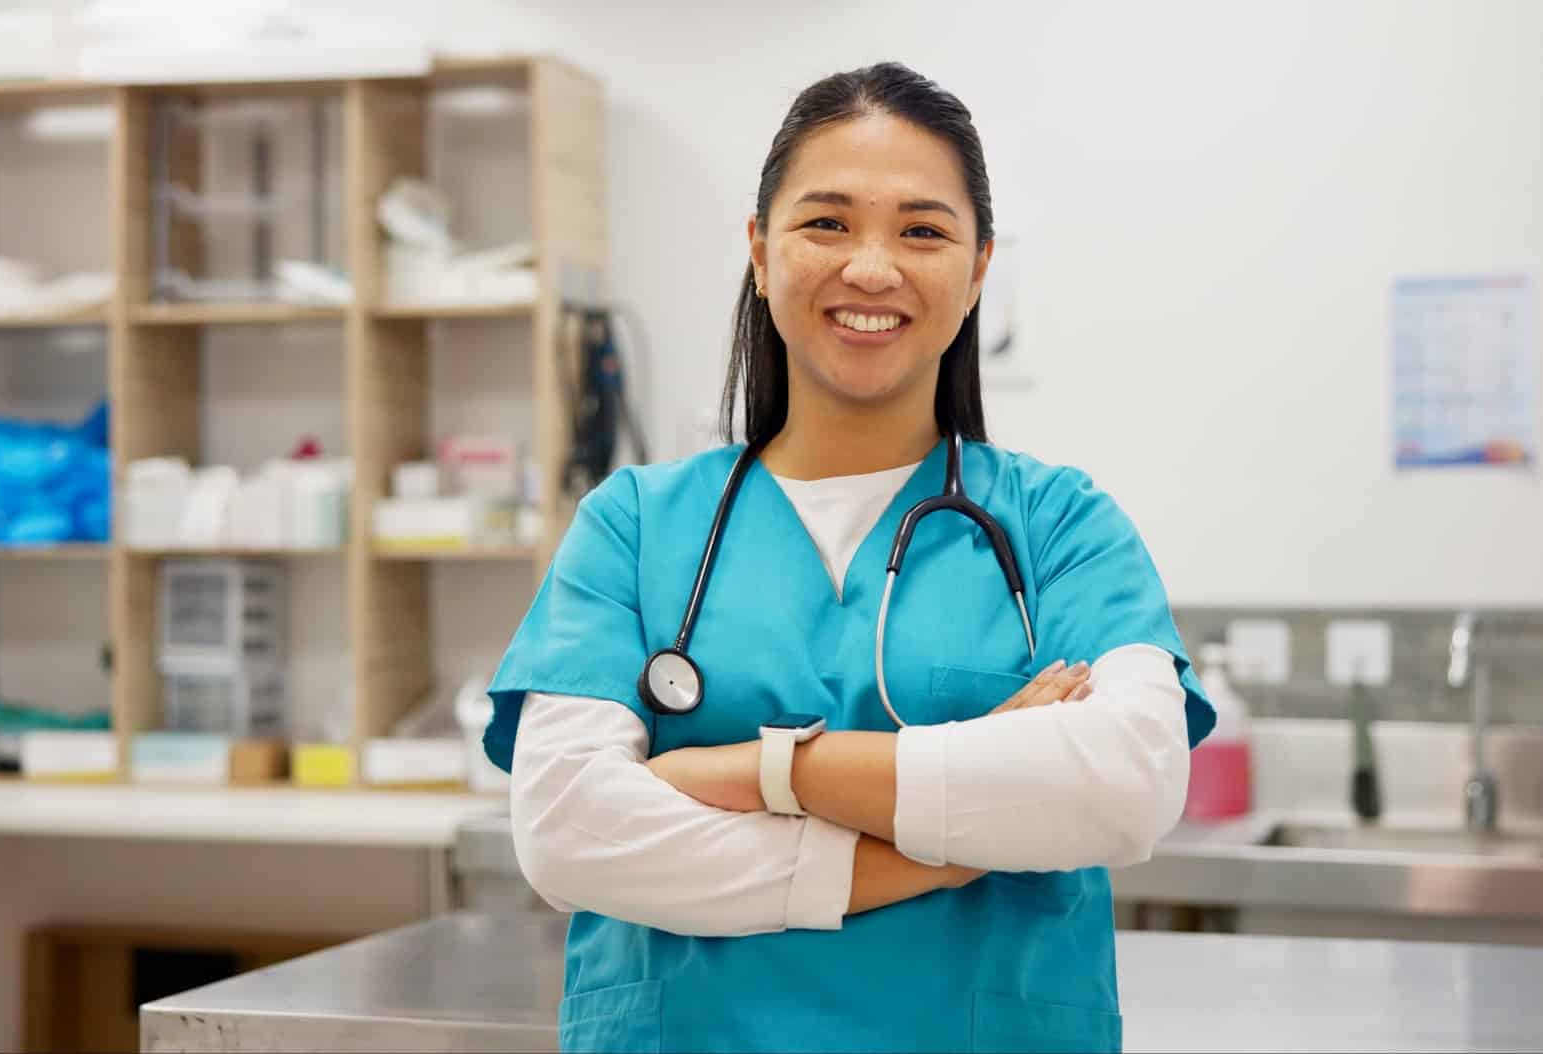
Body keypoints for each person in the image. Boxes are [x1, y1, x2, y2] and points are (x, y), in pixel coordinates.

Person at [484, 62, 1215, 1053]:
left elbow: (1124, 786)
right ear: (758, 249)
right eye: (826, 222)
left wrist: (766, 767)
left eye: (921, 230)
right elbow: (571, 829)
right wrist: (946, 847)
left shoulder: (1057, 524)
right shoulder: (635, 525)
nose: (871, 268)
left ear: (977, 267)